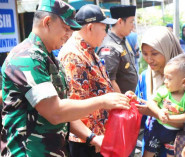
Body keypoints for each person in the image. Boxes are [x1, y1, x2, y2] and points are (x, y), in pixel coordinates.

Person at [0, 0, 130, 156]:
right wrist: (102, 101)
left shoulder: (48, 58)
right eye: (66, 29)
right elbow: (55, 112)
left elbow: (64, 110)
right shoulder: (27, 57)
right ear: (47, 22)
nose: (69, 35)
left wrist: (92, 138)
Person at [134, 26, 185, 156]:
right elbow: (140, 113)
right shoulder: (145, 76)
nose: (149, 59)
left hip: (177, 146)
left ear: (167, 49)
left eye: (154, 53)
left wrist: (156, 113)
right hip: (151, 142)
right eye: (144, 53)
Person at [58, 4, 117, 157]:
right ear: (90, 27)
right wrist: (92, 138)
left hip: (97, 138)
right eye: (104, 28)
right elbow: (73, 105)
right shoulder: (73, 55)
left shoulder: (89, 50)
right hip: (85, 141)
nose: (106, 33)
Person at [138, 54, 185, 157]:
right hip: (156, 128)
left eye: (169, 78)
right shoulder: (164, 90)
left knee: (171, 154)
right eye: (165, 77)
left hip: (174, 134)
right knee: (148, 152)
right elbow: (151, 102)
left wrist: (169, 118)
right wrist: (159, 112)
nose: (165, 81)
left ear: (184, 82)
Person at [97, 5, 138, 94]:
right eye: (131, 22)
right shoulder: (109, 47)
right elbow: (110, 81)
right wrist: (122, 104)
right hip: (121, 102)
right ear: (120, 21)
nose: (132, 26)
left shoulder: (122, 40)